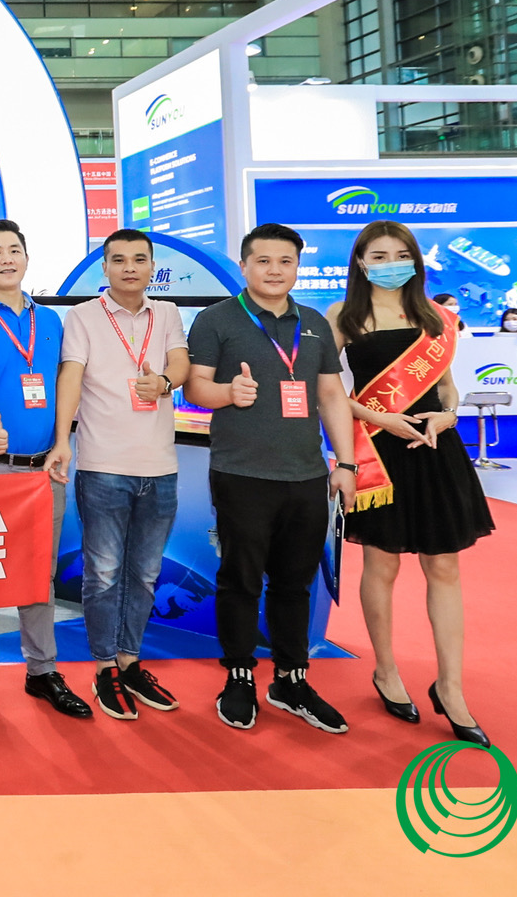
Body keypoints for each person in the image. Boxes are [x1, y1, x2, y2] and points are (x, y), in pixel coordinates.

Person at [184, 223, 357, 736]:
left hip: (306, 475)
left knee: (294, 583)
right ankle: (239, 676)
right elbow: (194, 387)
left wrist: (346, 464)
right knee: (239, 579)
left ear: (297, 267)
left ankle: (291, 680)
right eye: (263, 261)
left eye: (286, 261)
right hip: (241, 473)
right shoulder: (217, 319)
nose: (275, 270)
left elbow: (331, 395)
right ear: (244, 266)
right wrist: (227, 394)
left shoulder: (314, 324)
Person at [328, 221, 494, 748]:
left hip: (434, 447)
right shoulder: (343, 316)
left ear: (416, 261)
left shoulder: (437, 317)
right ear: (360, 262)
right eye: (379, 255)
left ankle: (451, 687)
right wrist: (377, 417)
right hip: (379, 452)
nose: (391, 263)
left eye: (401, 254)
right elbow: (323, 389)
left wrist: (448, 415)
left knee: (444, 566)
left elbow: (448, 388)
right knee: (382, 565)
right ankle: (385, 670)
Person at [0, 219, 88, 733]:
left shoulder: (50, 320)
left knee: (38, 574)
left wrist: (62, 441)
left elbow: (65, 386)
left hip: (43, 470)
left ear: (26, 258)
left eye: (14, 250)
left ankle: (42, 671)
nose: (6, 259)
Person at [47, 228, 190, 721]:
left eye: (139, 259)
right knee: (104, 575)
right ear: (105, 268)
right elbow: (70, 377)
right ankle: (105, 666)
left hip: (160, 468)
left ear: (152, 267)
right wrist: (62, 440)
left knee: (145, 575)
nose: (130, 267)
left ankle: (130, 662)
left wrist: (165, 382)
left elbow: (180, 362)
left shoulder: (166, 313)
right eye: (119, 260)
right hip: (103, 466)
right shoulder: (83, 316)